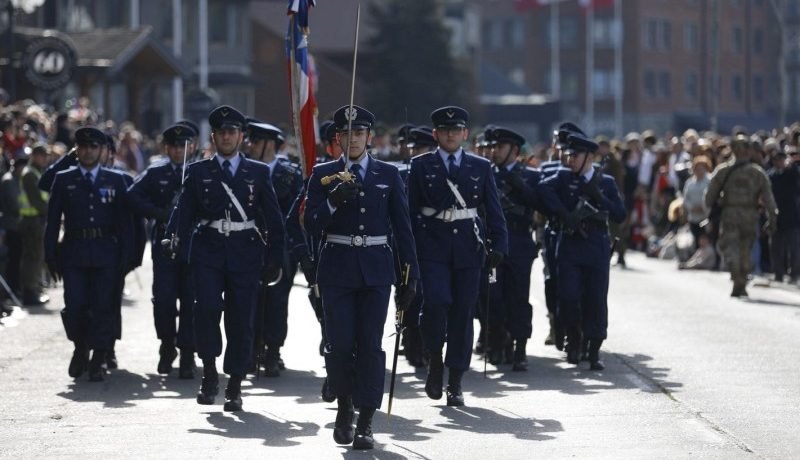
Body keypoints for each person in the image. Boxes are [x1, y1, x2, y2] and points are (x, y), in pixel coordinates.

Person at [304, 104, 419, 449]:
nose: (352, 139)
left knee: (370, 345)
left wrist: (409, 276)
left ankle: (366, 420)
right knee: (339, 344)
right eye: (345, 134)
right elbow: (310, 224)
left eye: (358, 133)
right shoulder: (323, 173)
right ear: (337, 138)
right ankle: (343, 407)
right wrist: (332, 202)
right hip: (337, 267)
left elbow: (403, 227)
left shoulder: (388, 174)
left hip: (375, 268)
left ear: (369, 137)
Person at [172, 105, 285, 411]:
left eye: (232, 131)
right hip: (208, 249)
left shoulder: (258, 172)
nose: (226, 136)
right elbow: (184, 213)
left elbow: (273, 219)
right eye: (221, 132)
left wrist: (276, 256)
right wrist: (177, 245)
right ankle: (209, 373)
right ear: (214, 136)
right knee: (206, 310)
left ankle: (234, 384)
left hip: (245, 250)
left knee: (240, 319)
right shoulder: (199, 171)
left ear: (241, 136)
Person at [407, 105, 507, 407]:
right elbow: (410, 211)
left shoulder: (480, 166)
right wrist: (407, 250)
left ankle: (455, 380)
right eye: (445, 130)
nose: (451, 135)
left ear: (465, 133)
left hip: (468, 248)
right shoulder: (421, 165)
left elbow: (492, 210)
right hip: (432, 247)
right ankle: (435, 359)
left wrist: (499, 246)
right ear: (436, 134)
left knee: (463, 313)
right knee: (436, 304)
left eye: (457, 130)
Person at [44, 126, 134, 381]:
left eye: (93, 147)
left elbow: (124, 223)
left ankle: (98, 357)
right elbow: (52, 221)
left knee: (104, 305)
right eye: (82, 147)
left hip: (106, 251)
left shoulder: (115, 180)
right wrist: (50, 254)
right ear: (77, 150)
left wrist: (126, 256)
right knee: (75, 306)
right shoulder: (64, 178)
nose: (87, 152)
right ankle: (80, 347)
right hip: (74, 251)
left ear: (101, 150)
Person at [537, 131, 626, 370]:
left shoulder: (605, 182)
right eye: (567, 154)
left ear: (589, 156)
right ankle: (574, 340)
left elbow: (620, 214)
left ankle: (594, 348)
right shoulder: (564, 178)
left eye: (574, 155)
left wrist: (600, 197)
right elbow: (542, 190)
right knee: (568, 296)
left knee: (596, 298)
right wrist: (565, 215)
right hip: (570, 243)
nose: (569, 159)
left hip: (596, 243)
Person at [127, 124, 197, 378]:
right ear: (166, 148)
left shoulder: (201, 171)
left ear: (194, 146)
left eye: (184, 146)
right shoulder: (156, 172)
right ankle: (167, 346)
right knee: (164, 300)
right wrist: (157, 213)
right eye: (174, 146)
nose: (179, 151)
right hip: (165, 244)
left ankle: (188, 352)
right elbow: (132, 196)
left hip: (194, 244)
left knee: (191, 300)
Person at [245, 121, 303, 377]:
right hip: (249, 244)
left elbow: (295, 212)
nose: (250, 145)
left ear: (269, 144)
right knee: (247, 301)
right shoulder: (245, 171)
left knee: (277, 301)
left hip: (280, 246)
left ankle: (273, 350)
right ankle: (250, 349)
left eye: (256, 141)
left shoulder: (288, 173)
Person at [486, 127, 540, 371]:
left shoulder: (529, 176)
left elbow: (542, 204)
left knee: (518, 297)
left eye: (500, 147)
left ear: (514, 151)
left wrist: (522, 187)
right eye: (494, 147)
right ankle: (498, 341)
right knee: (493, 298)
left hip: (519, 241)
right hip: (494, 244)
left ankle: (519, 347)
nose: (495, 151)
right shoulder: (485, 173)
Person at [18, 145, 50, 306]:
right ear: (35, 156)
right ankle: (29, 292)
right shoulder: (30, 174)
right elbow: (37, 200)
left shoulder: (36, 172)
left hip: (36, 220)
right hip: (32, 221)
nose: (45, 159)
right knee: (32, 257)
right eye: (42, 156)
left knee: (36, 257)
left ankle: (34, 289)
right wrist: (51, 210)